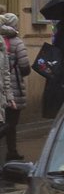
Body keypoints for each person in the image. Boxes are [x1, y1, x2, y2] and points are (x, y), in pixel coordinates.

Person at [0, 13, 28, 160]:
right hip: (13, 86)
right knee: (12, 122)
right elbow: (25, 67)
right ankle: (12, 151)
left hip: (2, 88)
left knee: (6, 121)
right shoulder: (16, 42)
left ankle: (11, 151)